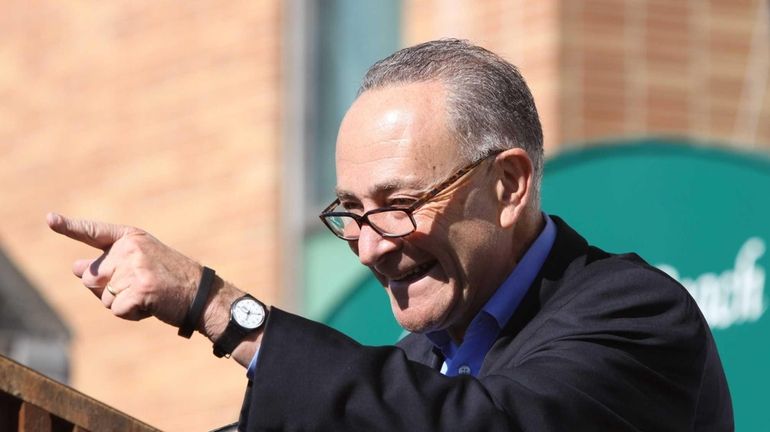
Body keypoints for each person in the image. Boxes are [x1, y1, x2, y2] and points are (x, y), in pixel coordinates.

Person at [48, 39, 733, 431]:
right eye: (350, 212)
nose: (371, 246)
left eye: (399, 205)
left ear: (509, 185)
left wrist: (218, 306)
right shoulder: (415, 366)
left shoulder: (637, 316)